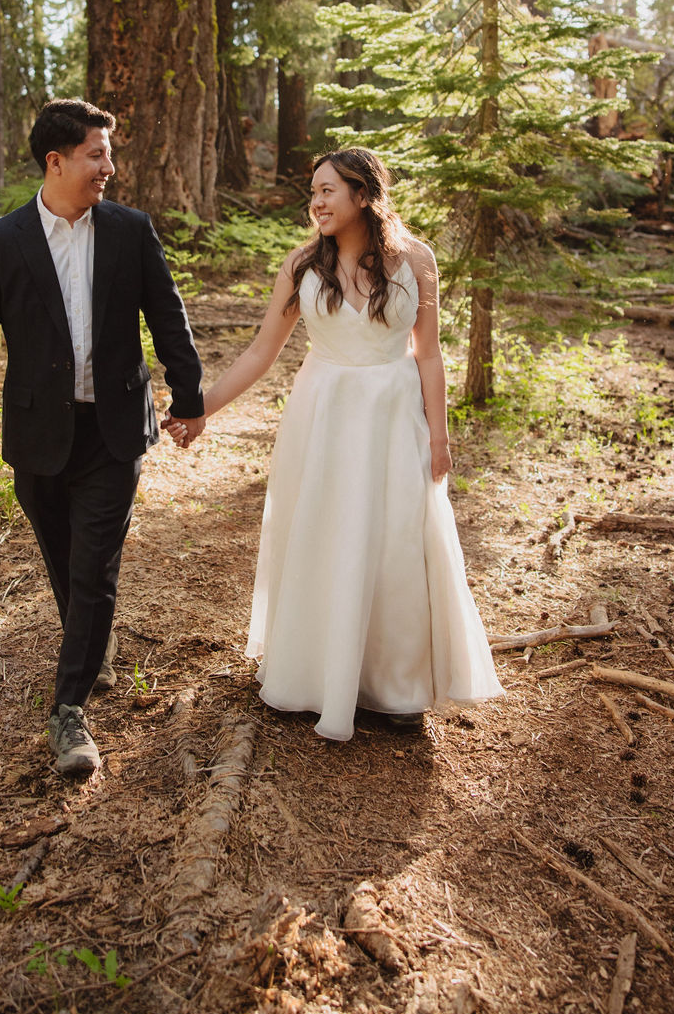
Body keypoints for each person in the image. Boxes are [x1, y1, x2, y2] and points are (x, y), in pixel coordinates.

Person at [167, 147, 502, 741]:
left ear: (364, 195)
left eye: (327, 191)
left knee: (396, 540)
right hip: (322, 418)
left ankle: (396, 687)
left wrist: (440, 437)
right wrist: (199, 411)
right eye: (313, 192)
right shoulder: (301, 266)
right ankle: (312, 672)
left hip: (394, 416)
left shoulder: (416, 261)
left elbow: (428, 355)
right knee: (323, 533)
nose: (315, 203)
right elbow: (259, 353)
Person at [0, 98, 205, 777]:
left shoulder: (130, 231)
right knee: (66, 562)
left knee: (94, 565)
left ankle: (69, 710)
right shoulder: (0, 242)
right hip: (37, 436)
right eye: (97, 154)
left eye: (108, 154)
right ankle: (91, 647)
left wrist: (190, 395)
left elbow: (168, 317)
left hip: (114, 430)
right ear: (56, 161)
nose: (109, 168)